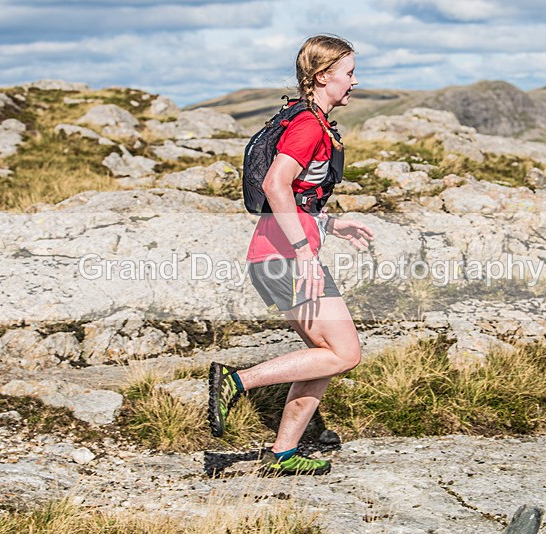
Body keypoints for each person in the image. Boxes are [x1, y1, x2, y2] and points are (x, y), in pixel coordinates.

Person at [208, 34, 374, 476]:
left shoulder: (309, 119)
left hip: (277, 256)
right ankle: (236, 381)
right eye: (349, 72)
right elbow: (275, 185)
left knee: (326, 352)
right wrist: (302, 251)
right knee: (345, 353)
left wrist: (332, 224)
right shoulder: (307, 125)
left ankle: (283, 453)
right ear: (323, 77)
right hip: (285, 259)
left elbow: (299, 196)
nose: (355, 82)